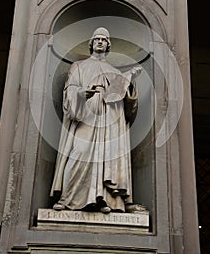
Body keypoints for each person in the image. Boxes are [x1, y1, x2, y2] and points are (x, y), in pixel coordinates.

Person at [50, 27, 142, 213]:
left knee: (107, 157)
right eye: (97, 39)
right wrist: (83, 93)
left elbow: (122, 100)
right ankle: (68, 199)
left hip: (110, 120)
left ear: (108, 45)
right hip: (87, 116)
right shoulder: (79, 66)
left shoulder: (114, 71)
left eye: (104, 40)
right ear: (91, 43)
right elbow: (70, 91)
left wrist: (129, 80)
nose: (100, 42)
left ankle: (104, 200)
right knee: (80, 152)